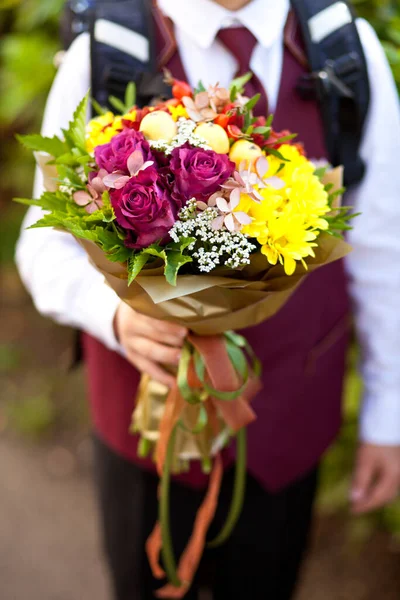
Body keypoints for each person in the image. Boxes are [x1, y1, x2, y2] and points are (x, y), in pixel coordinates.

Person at [16, 0, 400, 599]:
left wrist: (388, 412)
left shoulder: (345, 50)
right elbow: (43, 249)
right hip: (144, 431)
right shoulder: (112, 47)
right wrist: (113, 316)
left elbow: (383, 247)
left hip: (290, 418)